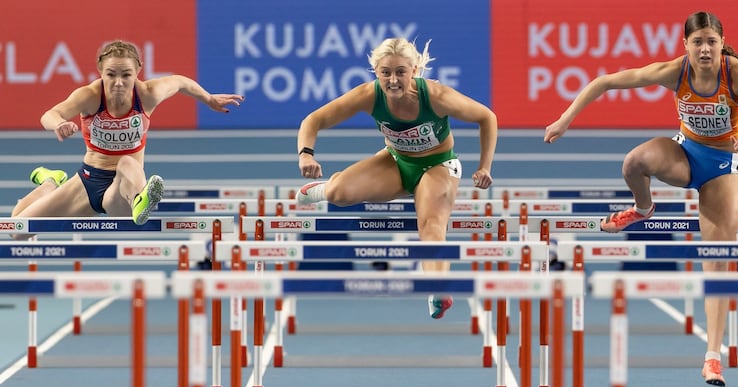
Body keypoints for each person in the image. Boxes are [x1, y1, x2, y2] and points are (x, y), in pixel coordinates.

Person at [544, 11, 738, 387]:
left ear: (722, 44)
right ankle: (643, 208)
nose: (705, 49)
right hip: (685, 155)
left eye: (711, 42)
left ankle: (711, 358)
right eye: (698, 42)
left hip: (723, 165)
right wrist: (564, 119)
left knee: (717, 264)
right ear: (686, 46)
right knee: (634, 162)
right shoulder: (675, 71)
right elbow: (605, 82)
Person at [294, 37, 497, 320]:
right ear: (376, 72)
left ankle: (437, 286)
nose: (392, 80)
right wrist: (306, 154)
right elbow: (313, 120)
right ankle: (326, 189)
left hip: (437, 166)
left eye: (400, 72)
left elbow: (487, 117)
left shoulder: (437, 96)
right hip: (396, 162)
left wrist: (484, 166)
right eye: (385, 72)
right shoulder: (368, 94)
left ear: (414, 70)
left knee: (430, 222)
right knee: (339, 194)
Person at [12, 39, 243, 236]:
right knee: (17, 229)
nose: (119, 82)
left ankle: (141, 198)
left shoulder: (148, 94)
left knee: (127, 162)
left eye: (126, 74)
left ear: (138, 71)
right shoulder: (90, 95)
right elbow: (49, 114)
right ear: (101, 71)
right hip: (89, 180)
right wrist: (59, 124)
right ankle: (52, 182)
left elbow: (181, 82)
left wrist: (209, 99)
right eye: (111, 75)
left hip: (123, 187)